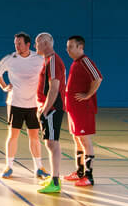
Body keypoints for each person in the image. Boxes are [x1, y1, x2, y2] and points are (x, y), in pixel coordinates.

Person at [0, 32, 46, 179]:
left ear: (28, 45)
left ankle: (39, 167)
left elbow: (49, 75)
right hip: (15, 103)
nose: (17, 46)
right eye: (15, 43)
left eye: (19, 43)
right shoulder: (10, 59)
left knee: (34, 136)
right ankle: (9, 166)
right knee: (13, 135)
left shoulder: (39, 59)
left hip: (34, 104)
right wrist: (4, 86)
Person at [64, 35, 103, 186]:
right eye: (67, 47)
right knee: (77, 139)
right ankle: (79, 172)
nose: (68, 50)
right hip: (74, 109)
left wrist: (88, 95)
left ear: (80, 47)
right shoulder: (76, 63)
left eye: (71, 47)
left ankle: (89, 176)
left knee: (85, 140)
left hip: (83, 109)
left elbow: (98, 78)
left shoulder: (85, 61)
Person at [33, 32, 65, 194]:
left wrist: (45, 110)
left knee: (52, 143)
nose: (35, 46)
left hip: (52, 109)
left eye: (37, 43)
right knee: (50, 142)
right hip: (48, 108)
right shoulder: (48, 61)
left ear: (45, 43)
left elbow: (54, 88)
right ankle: (54, 176)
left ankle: (55, 180)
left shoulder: (52, 61)